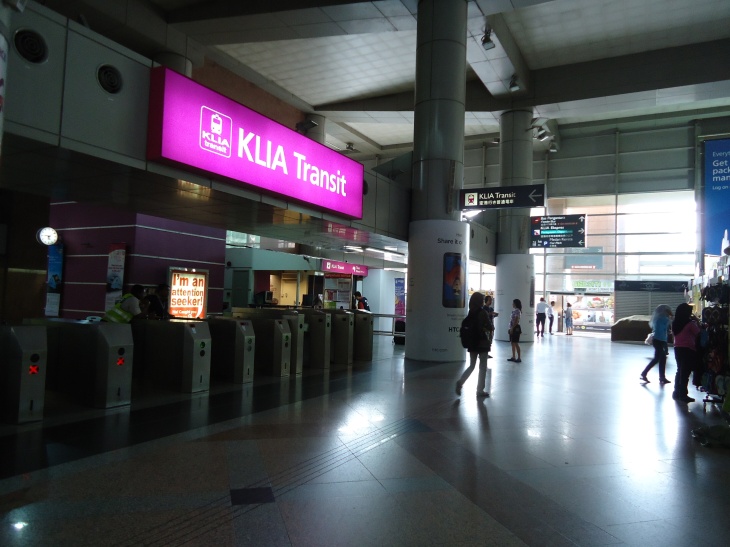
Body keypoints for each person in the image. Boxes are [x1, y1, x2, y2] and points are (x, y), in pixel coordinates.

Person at [456, 292, 492, 398]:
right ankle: (480, 390)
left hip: (472, 343)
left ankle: (460, 382)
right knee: (483, 367)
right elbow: (490, 326)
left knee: (472, 365)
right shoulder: (483, 312)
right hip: (482, 343)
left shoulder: (471, 312)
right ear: (480, 301)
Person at [671, 303, 701, 402]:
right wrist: (697, 321)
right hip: (688, 349)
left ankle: (676, 392)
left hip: (677, 348)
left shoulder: (675, 323)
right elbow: (698, 332)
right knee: (685, 372)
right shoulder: (690, 323)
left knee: (679, 370)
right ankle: (683, 395)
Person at [640, 304, 673, 384]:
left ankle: (661, 377)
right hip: (659, 340)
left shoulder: (658, 318)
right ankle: (645, 373)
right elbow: (669, 322)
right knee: (658, 358)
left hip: (659, 340)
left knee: (661, 359)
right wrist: (670, 316)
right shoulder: (662, 319)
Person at [507, 298, 522, 363]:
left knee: (515, 343)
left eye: (513, 303)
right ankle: (513, 357)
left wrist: (512, 328)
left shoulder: (517, 311)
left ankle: (519, 357)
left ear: (515, 304)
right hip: (512, 328)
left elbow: (516, 320)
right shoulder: (515, 310)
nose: (512, 304)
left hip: (515, 328)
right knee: (512, 342)